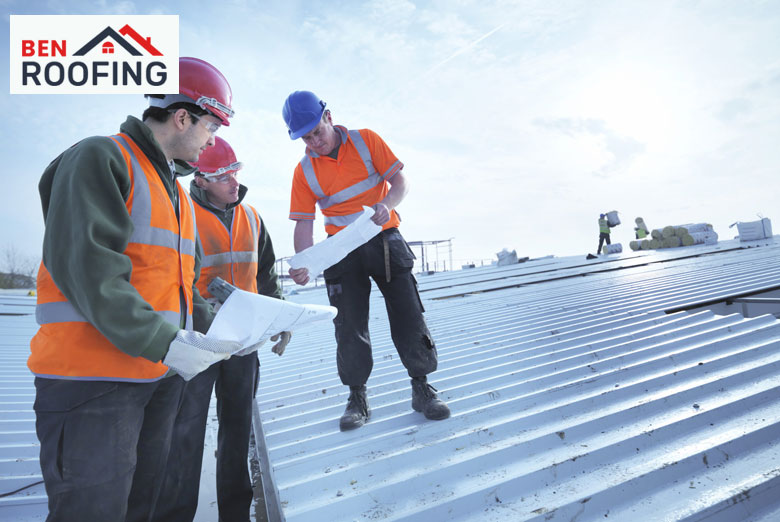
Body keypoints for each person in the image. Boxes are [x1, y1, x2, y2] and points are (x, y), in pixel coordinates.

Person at [28, 57, 246, 521]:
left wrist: (244, 331)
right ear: (182, 116)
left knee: (141, 511)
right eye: (211, 125)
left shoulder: (175, 194)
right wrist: (169, 343)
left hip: (156, 378)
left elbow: (181, 292)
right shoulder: (101, 157)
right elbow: (90, 273)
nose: (213, 140)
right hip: (92, 386)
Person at [282, 90, 450, 431]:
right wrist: (304, 263)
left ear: (328, 117)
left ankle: (422, 388)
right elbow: (304, 222)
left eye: (317, 131)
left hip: (385, 239)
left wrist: (387, 203)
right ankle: (356, 397)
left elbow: (400, 181)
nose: (314, 141)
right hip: (340, 252)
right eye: (305, 137)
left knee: (408, 315)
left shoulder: (366, 141)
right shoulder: (304, 172)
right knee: (348, 326)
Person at [154, 137, 289, 522]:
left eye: (235, 173)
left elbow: (266, 275)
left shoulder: (253, 218)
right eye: (222, 176)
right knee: (186, 434)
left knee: (237, 430)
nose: (233, 182)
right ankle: (175, 515)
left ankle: (235, 514)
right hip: (198, 343)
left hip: (243, 345)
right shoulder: (182, 214)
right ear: (200, 179)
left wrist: (279, 320)